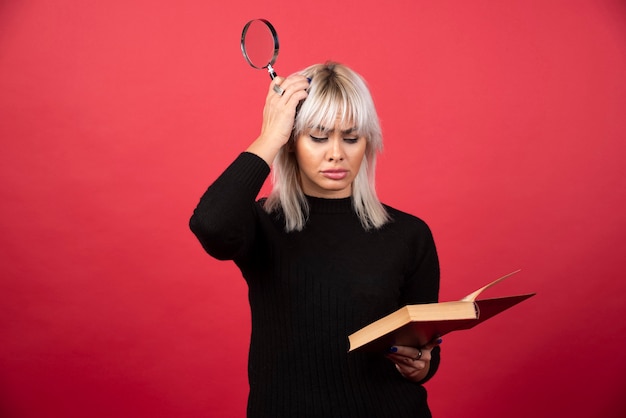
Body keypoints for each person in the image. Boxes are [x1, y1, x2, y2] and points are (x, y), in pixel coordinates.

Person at [189, 62, 441, 417]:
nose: (336, 152)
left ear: (368, 142)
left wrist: (422, 365)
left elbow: (424, 349)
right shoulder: (263, 225)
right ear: (292, 142)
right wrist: (269, 137)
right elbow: (211, 225)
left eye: (351, 138)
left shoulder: (410, 234)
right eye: (318, 137)